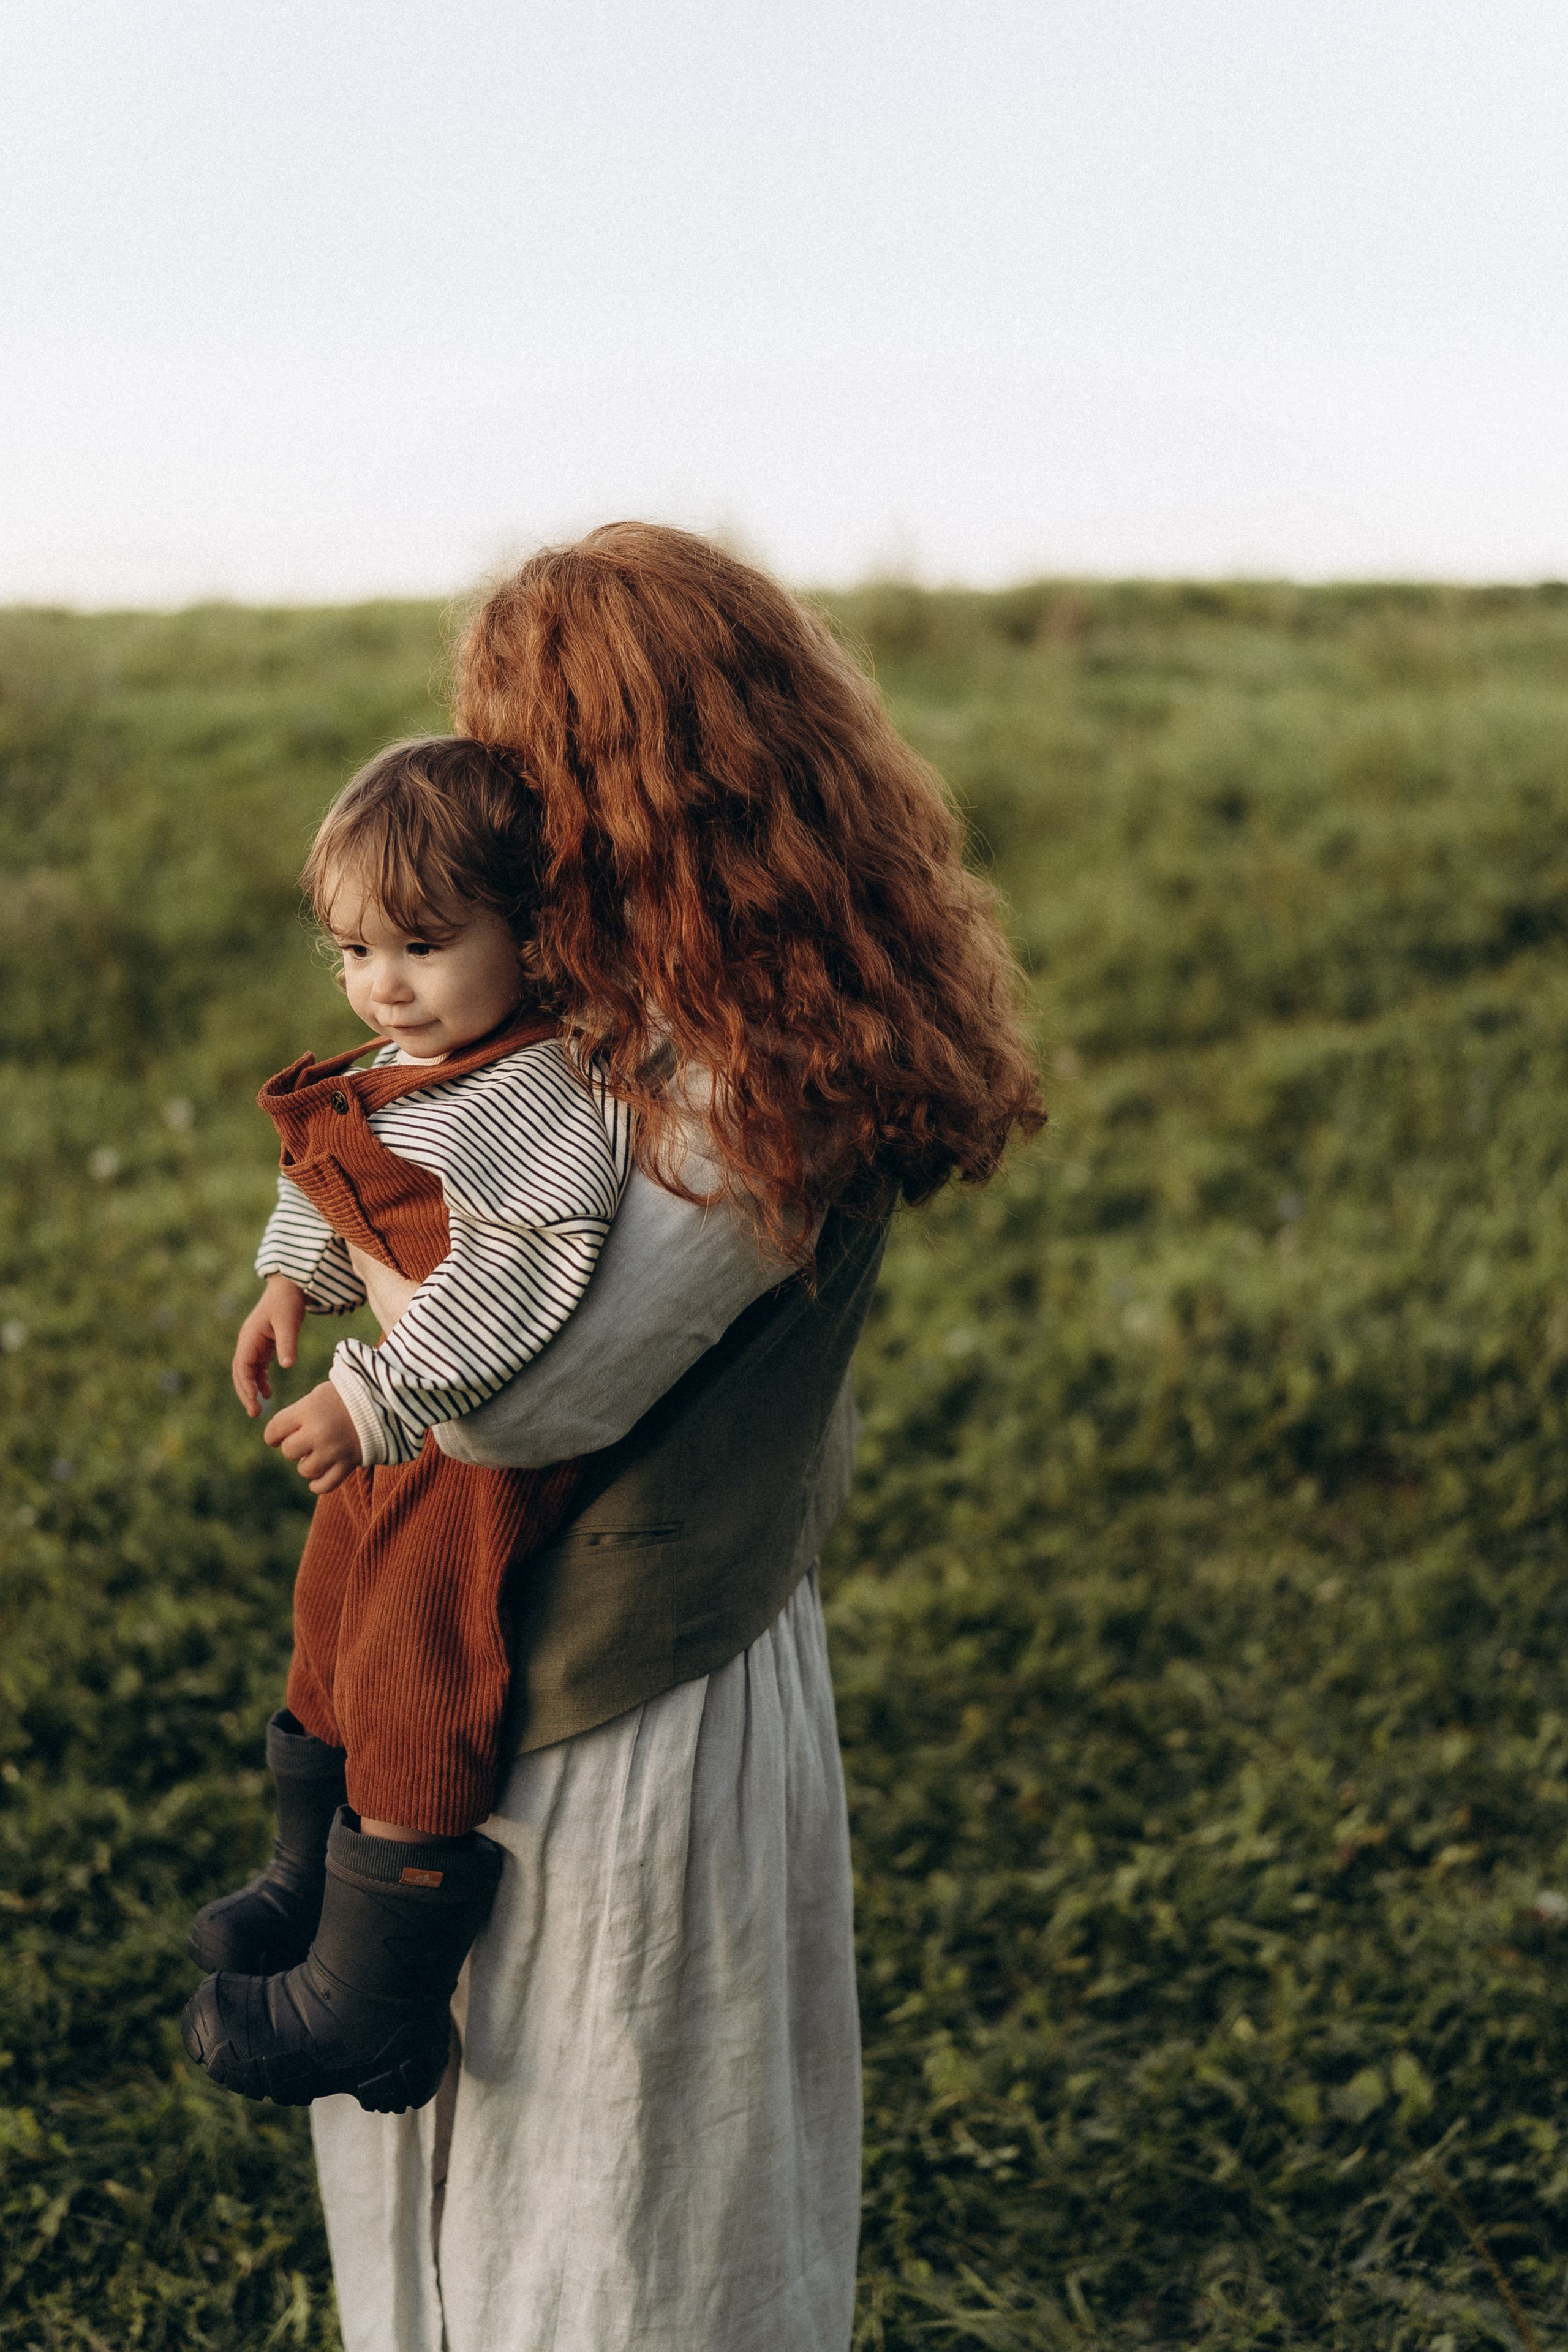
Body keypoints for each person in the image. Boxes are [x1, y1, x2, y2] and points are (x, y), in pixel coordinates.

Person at [279, 524, 1043, 2352]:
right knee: (499, 2142)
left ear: (630, 784)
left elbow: (529, 1400)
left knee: (610, 2191)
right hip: (551, 1659)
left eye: (522, 764)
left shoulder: (751, 1073)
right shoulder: (622, 1021)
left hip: (636, 1702)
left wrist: (383, 1234)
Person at [181, 737, 632, 2113]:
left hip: (471, 1436)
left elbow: (518, 1282)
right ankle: (311, 1874)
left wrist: (370, 1392)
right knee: (331, 1607)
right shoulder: (423, 1049)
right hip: (399, 1414)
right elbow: (339, 1178)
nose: (381, 985)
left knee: (416, 1653)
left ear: (535, 933)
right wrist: (288, 1287)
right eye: (350, 951)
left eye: (421, 946)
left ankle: (375, 2001)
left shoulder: (543, 1098)